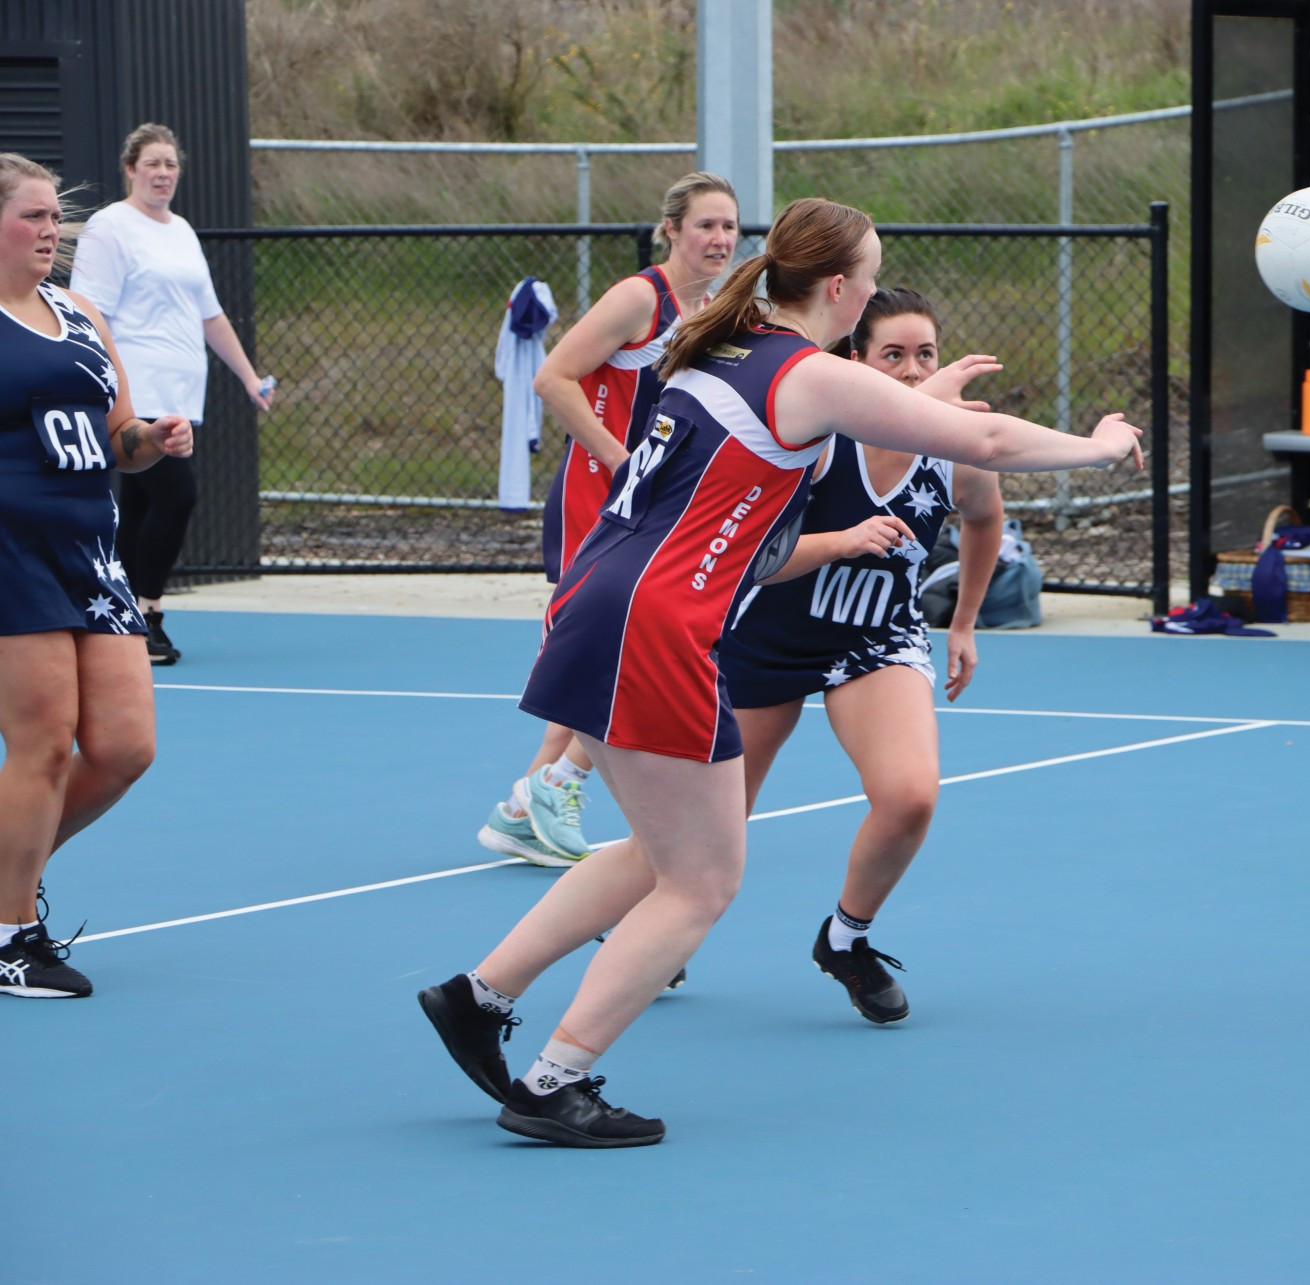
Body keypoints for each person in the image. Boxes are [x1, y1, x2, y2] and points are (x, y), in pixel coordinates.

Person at [418, 197, 1143, 1147]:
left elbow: (857, 453)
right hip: (656, 623)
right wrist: (1096, 444)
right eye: (873, 280)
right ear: (840, 290)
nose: (876, 293)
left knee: (657, 852)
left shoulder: (725, 346)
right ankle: (556, 1077)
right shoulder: (799, 373)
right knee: (703, 881)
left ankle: (478, 996)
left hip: (605, 598)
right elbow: (989, 442)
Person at [718, 287, 1005, 1023]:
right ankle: (657, 921)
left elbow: (984, 516)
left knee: (910, 794)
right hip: (766, 636)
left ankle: (846, 938)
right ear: (857, 360)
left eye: (927, 355)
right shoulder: (816, 437)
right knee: (713, 835)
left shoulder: (957, 446)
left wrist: (964, 622)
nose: (913, 372)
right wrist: (843, 540)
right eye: (894, 356)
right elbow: (753, 553)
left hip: (874, 639)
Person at [475, 172, 741, 869]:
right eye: (706, 225)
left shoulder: (720, 308)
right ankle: (548, 789)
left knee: (607, 652)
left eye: (729, 226)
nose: (719, 238)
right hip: (599, 502)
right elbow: (553, 378)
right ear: (672, 230)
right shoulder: (638, 299)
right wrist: (625, 461)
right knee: (596, 650)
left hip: (655, 510)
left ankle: (531, 800)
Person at [0, 153, 194, 997]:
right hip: (11, 549)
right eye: (34, 217)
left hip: (91, 551)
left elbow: (117, 435)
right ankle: (12, 934)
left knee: (122, 748)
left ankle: (6, 880)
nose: (52, 232)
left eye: (55, 218)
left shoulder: (80, 314)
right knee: (40, 746)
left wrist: (152, 438)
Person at [67, 124, 272, 667]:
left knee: (140, 503)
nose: (163, 173)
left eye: (171, 165)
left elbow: (211, 315)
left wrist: (249, 378)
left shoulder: (180, 229)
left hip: (182, 392)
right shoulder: (110, 227)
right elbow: (90, 312)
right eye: (152, 163)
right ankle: (148, 613)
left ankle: (120, 618)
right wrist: (106, 383)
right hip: (136, 392)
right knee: (176, 496)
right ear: (130, 168)